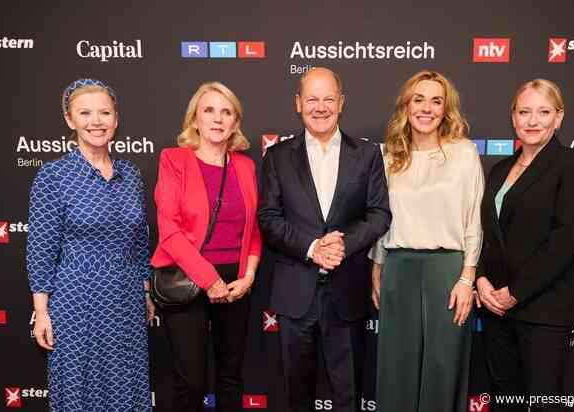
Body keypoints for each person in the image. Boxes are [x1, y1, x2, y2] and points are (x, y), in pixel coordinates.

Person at [258, 67, 391, 412]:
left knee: (348, 396)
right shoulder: (277, 157)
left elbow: (379, 214)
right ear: (298, 104)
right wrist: (313, 248)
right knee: (295, 395)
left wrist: (343, 244)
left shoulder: (367, 154)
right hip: (295, 295)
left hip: (346, 295)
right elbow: (269, 220)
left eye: (328, 99)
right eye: (312, 99)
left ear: (341, 103)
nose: (320, 107)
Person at [27, 78, 153, 411]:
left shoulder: (131, 174)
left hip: (126, 297)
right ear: (70, 120)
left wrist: (144, 291)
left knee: (127, 380)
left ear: (116, 119)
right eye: (85, 113)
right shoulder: (53, 176)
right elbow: (41, 248)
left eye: (104, 113)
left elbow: (140, 240)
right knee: (79, 385)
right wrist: (41, 311)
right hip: (75, 299)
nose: (96, 121)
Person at [476, 79, 574, 411]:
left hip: (542, 308)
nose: (533, 121)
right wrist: (482, 280)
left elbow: (567, 239)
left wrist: (515, 291)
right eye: (524, 111)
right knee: (504, 402)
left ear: (559, 117)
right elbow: (485, 232)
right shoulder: (499, 169)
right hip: (495, 308)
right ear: (513, 117)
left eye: (543, 112)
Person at [369, 70, 484, 412]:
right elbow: (381, 218)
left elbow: (473, 221)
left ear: (446, 110)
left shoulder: (463, 153)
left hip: (447, 271)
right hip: (398, 268)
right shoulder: (388, 155)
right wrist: (377, 267)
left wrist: (467, 277)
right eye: (419, 99)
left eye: (436, 101)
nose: (427, 108)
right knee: (396, 367)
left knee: (442, 365)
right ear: (406, 105)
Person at [151, 81, 261, 412]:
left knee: (231, 378)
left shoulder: (245, 165)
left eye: (226, 112)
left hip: (236, 283)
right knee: (191, 382)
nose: (217, 118)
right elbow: (169, 231)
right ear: (195, 120)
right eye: (209, 110)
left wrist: (250, 275)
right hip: (188, 277)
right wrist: (208, 279)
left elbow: (253, 227)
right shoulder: (174, 160)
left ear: (235, 122)